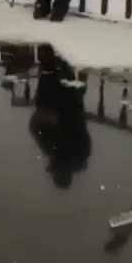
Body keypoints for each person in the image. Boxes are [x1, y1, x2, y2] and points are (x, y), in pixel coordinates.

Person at [29, 45, 91, 189]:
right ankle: (60, 55)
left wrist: (41, 120)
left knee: (56, 80)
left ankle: (55, 57)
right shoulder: (69, 155)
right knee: (60, 81)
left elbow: (36, 130)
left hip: (59, 109)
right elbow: (79, 134)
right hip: (64, 111)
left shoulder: (59, 154)